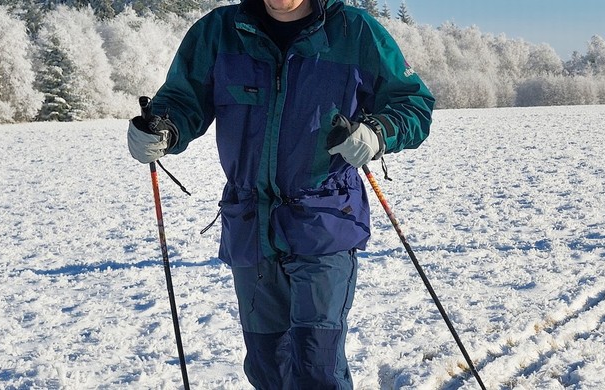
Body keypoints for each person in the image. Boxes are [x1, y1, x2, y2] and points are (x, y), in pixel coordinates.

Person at [126, 0, 434, 387]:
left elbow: (412, 104)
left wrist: (377, 131)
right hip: (250, 227)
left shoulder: (353, 31)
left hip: (325, 220)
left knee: (315, 366)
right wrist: (162, 129)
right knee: (268, 366)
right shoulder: (219, 31)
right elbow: (182, 101)